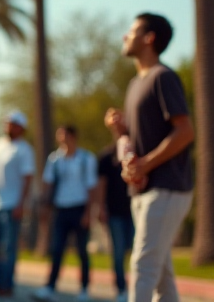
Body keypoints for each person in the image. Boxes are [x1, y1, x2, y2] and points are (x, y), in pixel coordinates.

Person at [105, 13, 194, 302]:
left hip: (167, 187)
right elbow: (135, 145)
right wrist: (120, 132)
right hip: (142, 190)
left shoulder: (163, 77)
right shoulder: (134, 85)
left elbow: (185, 131)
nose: (125, 37)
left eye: (131, 31)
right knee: (162, 278)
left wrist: (146, 164)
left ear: (149, 38)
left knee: (143, 266)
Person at [32, 126, 97, 302]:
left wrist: (88, 213)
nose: (62, 139)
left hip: (80, 209)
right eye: (59, 135)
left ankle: (84, 289)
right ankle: (50, 287)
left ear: (73, 136)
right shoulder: (54, 160)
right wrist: (44, 207)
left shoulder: (86, 158)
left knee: (82, 251)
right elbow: (48, 184)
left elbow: (92, 188)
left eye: (65, 135)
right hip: (61, 210)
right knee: (57, 249)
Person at [0, 111, 35, 298]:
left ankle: (7, 284)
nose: (9, 126)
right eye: (7, 123)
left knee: (9, 247)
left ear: (21, 128)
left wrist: (21, 204)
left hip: (12, 205)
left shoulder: (24, 150)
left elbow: (27, 179)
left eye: (13, 123)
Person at [97, 123, 134, 302]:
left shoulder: (136, 152)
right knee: (118, 252)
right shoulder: (107, 156)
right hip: (114, 212)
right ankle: (121, 289)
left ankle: (138, 288)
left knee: (136, 251)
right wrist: (101, 207)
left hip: (135, 210)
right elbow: (101, 185)